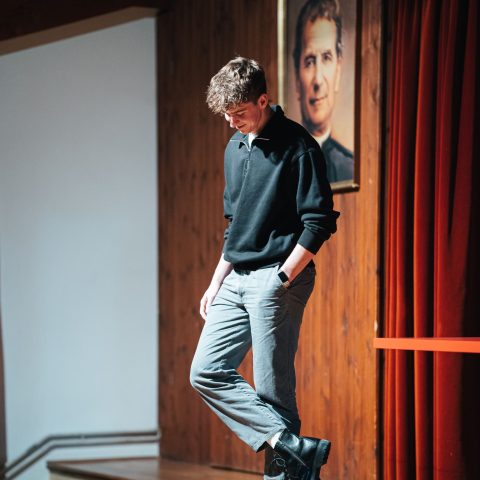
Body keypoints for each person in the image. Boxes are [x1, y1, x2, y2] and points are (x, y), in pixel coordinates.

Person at [190, 57, 339, 480]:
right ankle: (295, 449)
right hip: (236, 276)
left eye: (238, 112)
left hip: (278, 275)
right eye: (226, 114)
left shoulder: (299, 146)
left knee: (273, 393)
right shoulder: (234, 147)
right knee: (206, 371)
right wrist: (215, 281)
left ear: (263, 100)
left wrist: (282, 279)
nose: (231, 121)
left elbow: (318, 223)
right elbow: (236, 225)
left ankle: (285, 473)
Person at [293, 0, 354, 183]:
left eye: (326, 58)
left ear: (338, 70)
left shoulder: (350, 168)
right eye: (310, 61)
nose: (318, 80)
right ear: (297, 77)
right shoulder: (281, 168)